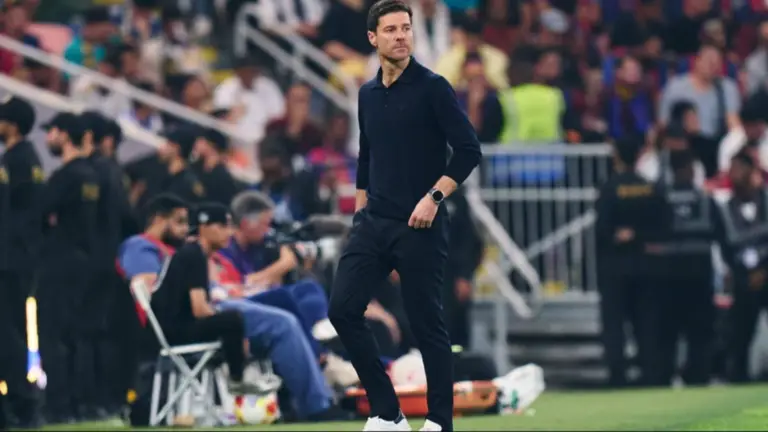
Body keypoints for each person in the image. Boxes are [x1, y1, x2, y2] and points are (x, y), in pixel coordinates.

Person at [328, 1, 482, 430]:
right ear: (372, 38)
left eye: (406, 28)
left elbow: (468, 150)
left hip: (421, 225)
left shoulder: (433, 87)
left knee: (426, 324)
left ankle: (439, 422)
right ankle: (388, 413)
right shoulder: (366, 93)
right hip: (374, 222)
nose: (401, 36)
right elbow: (367, 155)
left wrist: (434, 196)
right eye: (391, 29)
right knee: (342, 310)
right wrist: (361, 211)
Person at [145, 202, 263, 395]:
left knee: (230, 321)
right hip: (175, 332)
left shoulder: (194, 253)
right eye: (222, 226)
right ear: (204, 227)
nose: (229, 233)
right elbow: (199, 309)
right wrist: (237, 333)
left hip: (172, 328)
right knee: (233, 320)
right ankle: (237, 378)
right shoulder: (194, 255)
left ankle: (238, 371)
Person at [38, 113, 100, 423]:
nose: (48, 138)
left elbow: (41, 212)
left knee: (53, 336)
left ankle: (57, 406)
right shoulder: (90, 175)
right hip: (84, 263)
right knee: (77, 337)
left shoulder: (65, 177)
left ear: (64, 135)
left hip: (59, 264)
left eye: (51, 131)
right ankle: (79, 404)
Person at [595, 135, 668, 389]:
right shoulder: (650, 188)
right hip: (646, 266)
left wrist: (620, 237)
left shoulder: (609, 188)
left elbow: (601, 231)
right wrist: (640, 235)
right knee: (646, 323)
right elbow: (664, 226)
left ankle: (618, 376)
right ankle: (650, 374)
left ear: (616, 156)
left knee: (614, 325)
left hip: (615, 268)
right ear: (639, 155)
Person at [652, 149, 716, 385]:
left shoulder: (660, 199)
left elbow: (654, 234)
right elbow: (715, 231)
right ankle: (697, 375)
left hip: (669, 274)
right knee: (698, 331)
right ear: (687, 169)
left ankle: (663, 376)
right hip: (696, 272)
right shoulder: (703, 199)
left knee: (668, 331)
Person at [0, 96, 43, 427]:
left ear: (12, 125)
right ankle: (20, 400)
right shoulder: (31, 159)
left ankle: (21, 400)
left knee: (7, 331)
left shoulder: (14, 161)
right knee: (13, 327)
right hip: (22, 257)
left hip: (9, 258)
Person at [714, 151, 768, 382]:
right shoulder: (725, 207)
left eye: (739, 169)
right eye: (732, 169)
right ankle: (738, 377)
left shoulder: (766, 201)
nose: (734, 175)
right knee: (740, 333)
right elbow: (726, 245)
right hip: (743, 279)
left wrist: (763, 270)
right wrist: (745, 272)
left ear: (752, 171)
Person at [191, 128, 243, 208]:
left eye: (201, 141)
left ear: (212, 146)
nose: (197, 143)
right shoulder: (195, 166)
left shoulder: (223, 178)